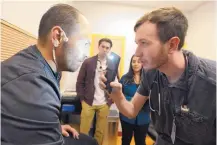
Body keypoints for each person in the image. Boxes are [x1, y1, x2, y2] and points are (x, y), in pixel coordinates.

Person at [100, 7, 216, 145]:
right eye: (137, 44)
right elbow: (131, 111)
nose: (137, 53)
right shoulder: (150, 73)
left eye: (144, 43)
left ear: (172, 44)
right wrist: (117, 95)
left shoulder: (212, 82)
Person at [1, 4, 98, 145]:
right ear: (57, 36)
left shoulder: (35, 60)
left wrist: (54, 127)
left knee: (89, 141)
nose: (86, 54)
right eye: (84, 44)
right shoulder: (34, 87)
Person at [76, 38, 114, 145]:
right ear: (98, 47)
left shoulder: (112, 64)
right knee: (84, 131)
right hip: (88, 102)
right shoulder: (88, 62)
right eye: (103, 46)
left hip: (104, 103)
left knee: (100, 132)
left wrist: (111, 101)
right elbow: (79, 82)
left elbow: (116, 82)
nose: (105, 49)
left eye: (107, 48)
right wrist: (82, 100)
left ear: (110, 49)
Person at [119, 55, 150, 145]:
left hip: (143, 116)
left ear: (143, 64)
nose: (136, 64)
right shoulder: (124, 78)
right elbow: (120, 95)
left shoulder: (148, 79)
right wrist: (135, 99)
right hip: (127, 116)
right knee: (125, 140)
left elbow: (154, 96)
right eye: (133, 61)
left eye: (139, 62)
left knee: (140, 141)